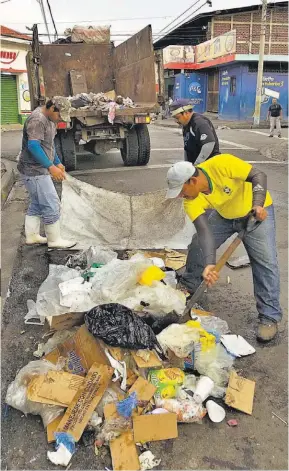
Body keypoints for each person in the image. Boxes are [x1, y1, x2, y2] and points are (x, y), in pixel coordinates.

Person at [166, 155, 282, 342]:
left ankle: (269, 317)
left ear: (193, 181)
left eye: (181, 190)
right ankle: (189, 287)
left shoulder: (221, 164)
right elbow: (205, 232)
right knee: (197, 245)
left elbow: (259, 175)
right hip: (225, 214)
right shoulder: (191, 200)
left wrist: (258, 205)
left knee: (265, 263)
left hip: (255, 211)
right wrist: (210, 264)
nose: (181, 196)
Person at [17, 100, 76, 249]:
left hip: (38, 169)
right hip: (34, 171)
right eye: (58, 115)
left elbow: (49, 145)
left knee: (37, 203)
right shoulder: (37, 120)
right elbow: (34, 146)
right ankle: (54, 240)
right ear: (50, 107)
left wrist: (57, 162)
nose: (59, 118)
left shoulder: (51, 119)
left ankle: (32, 236)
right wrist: (50, 167)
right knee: (51, 203)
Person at [170, 99, 220, 165]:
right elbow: (187, 148)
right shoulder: (186, 125)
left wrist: (197, 164)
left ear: (186, 113)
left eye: (177, 117)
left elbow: (209, 143)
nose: (176, 121)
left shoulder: (199, 122)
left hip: (209, 166)